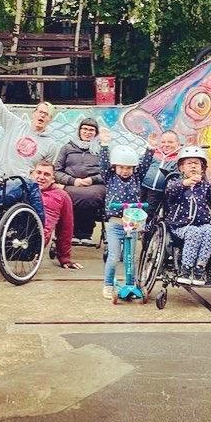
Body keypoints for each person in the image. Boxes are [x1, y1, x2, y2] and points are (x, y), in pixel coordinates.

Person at [0, 63, 52, 221]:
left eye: (46, 114)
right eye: (40, 112)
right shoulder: (15, 124)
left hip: (24, 185)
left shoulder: (50, 144)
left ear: (50, 120)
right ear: (33, 113)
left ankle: (38, 229)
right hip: (2, 179)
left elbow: (45, 171)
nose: (42, 116)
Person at [99, 128, 156, 300]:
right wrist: (105, 144)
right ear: (115, 167)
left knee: (131, 257)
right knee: (114, 256)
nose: (125, 171)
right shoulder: (109, 177)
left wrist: (150, 147)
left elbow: (145, 163)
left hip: (132, 223)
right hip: (115, 224)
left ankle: (132, 284)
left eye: (129, 168)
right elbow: (102, 163)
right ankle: (108, 284)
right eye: (122, 167)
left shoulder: (136, 177)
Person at [164, 146, 211, 285]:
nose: (193, 166)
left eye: (197, 163)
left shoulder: (205, 186)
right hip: (180, 227)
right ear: (181, 168)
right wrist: (184, 183)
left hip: (202, 224)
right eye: (189, 163)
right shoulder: (175, 183)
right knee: (194, 232)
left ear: (202, 169)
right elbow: (169, 190)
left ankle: (200, 267)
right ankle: (186, 269)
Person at [54, 118, 105, 241]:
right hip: (71, 183)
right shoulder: (67, 148)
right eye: (85, 129)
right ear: (79, 131)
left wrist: (92, 180)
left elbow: (107, 172)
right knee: (68, 196)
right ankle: (68, 232)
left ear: (96, 133)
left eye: (91, 130)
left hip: (94, 184)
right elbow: (56, 171)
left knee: (91, 196)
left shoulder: (102, 149)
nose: (88, 132)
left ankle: (85, 233)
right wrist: (72, 181)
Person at [31, 161, 83, 270]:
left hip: (37, 240)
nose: (41, 177)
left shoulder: (62, 196)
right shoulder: (22, 189)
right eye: (38, 173)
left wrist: (64, 258)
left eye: (46, 174)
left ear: (53, 179)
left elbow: (66, 228)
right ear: (32, 174)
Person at [141, 130, 182, 217]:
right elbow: (143, 164)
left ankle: (147, 228)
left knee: (148, 212)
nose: (166, 145)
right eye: (163, 142)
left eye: (170, 142)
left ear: (178, 144)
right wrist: (150, 147)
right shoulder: (154, 153)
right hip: (144, 186)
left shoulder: (178, 158)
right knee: (136, 207)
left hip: (158, 191)